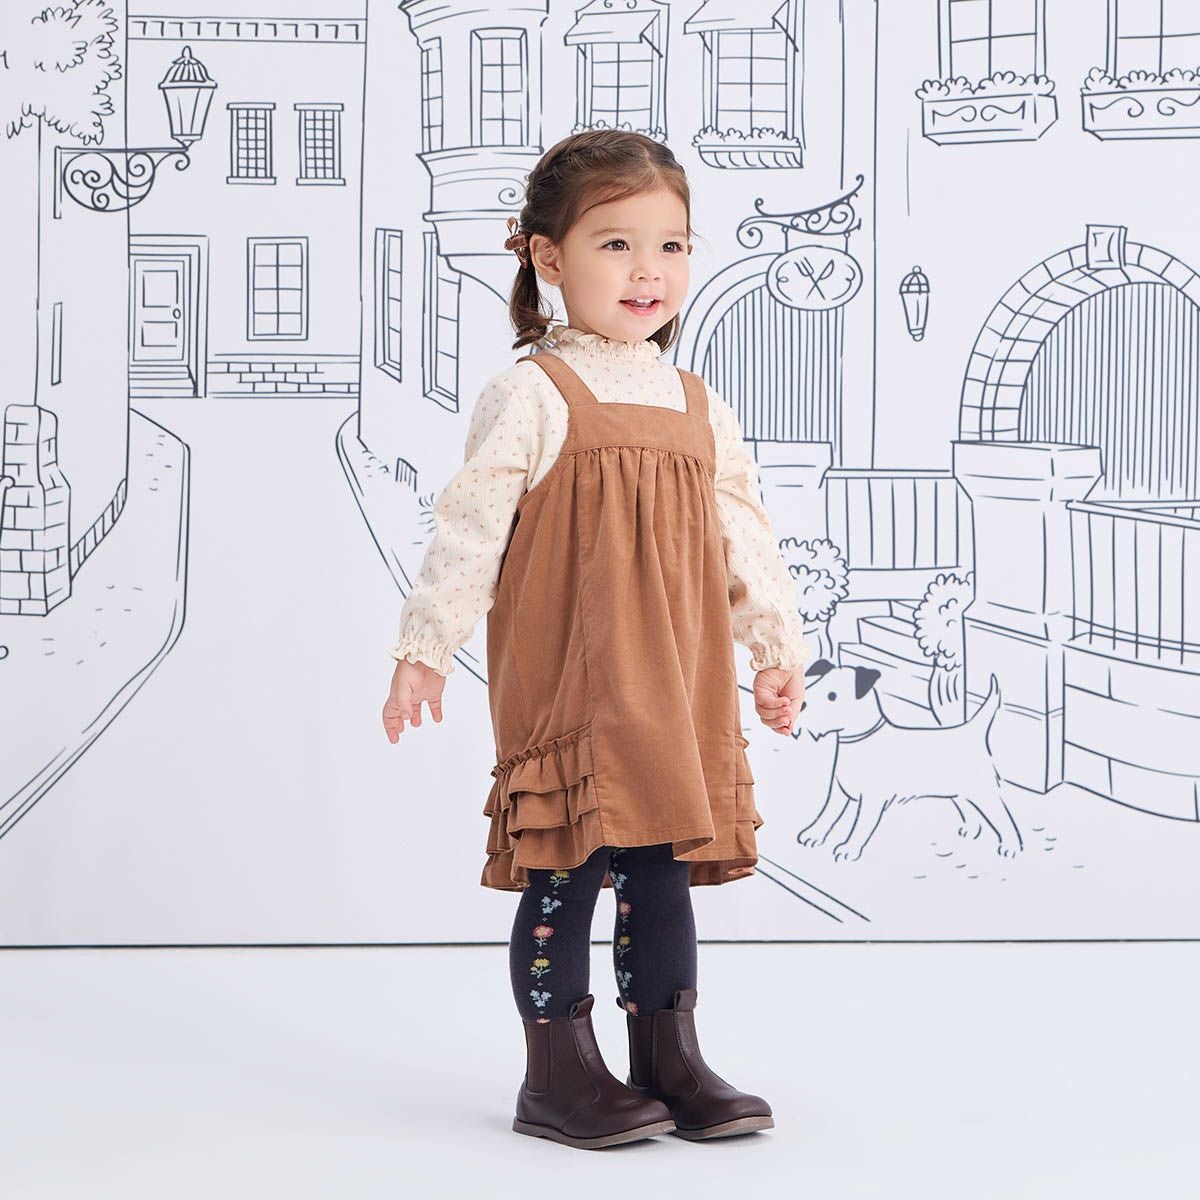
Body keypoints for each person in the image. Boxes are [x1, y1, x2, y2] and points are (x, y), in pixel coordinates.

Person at [381, 130, 810, 1150]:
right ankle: (558, 1073)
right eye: (616, 244)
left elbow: (742, 531)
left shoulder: (699, 403)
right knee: (566, 867)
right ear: (547, 256)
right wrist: (425, 646)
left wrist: (773, 647)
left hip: (676, 677)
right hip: (574, 674)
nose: (647, 270)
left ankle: (668, 1055)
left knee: (660, 869)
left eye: (671, 245)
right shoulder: (533, 393)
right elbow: (471, 526)